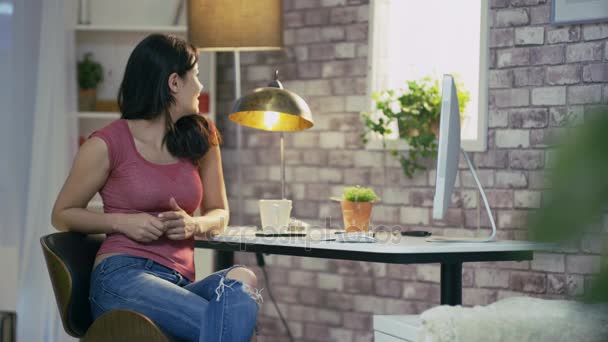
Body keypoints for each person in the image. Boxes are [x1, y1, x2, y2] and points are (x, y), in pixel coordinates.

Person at [51, 34, 262, 342]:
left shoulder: (201, 138)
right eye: (197, 76)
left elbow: (220, 213)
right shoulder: (107, 144)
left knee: (243, 279)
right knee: (228, 325)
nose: (201, 87)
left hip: (179, 284)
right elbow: (62, 214)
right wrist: (122, 221)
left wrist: (194, 223)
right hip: (121, 278)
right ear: (174, 82)